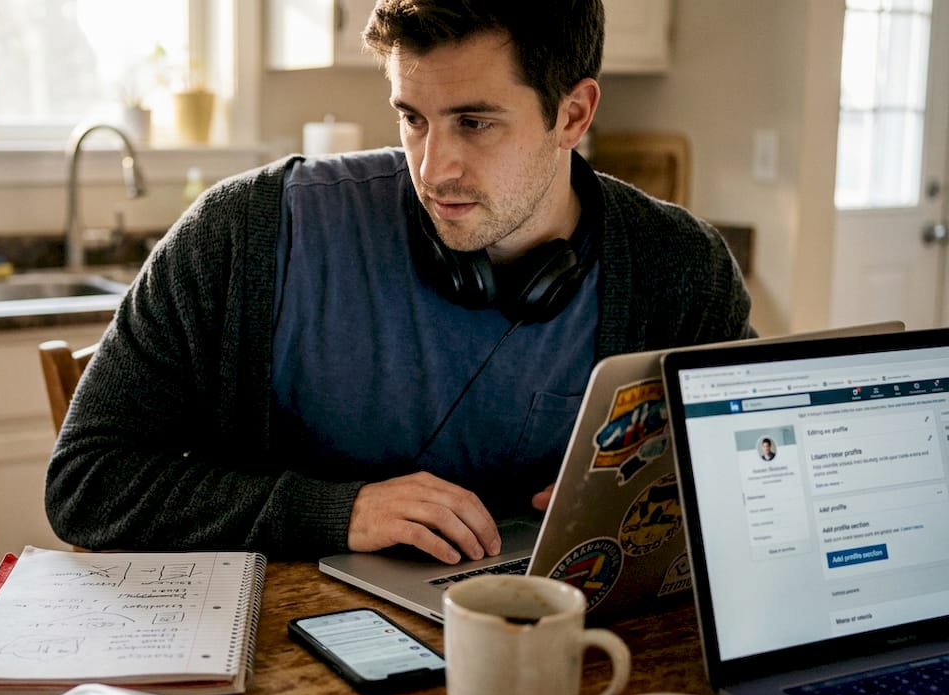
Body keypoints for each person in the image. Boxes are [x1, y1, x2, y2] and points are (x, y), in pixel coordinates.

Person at [46, 0, 754, 565]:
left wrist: (666, 494)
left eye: (474, 123)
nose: (434, 168)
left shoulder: (678, 267)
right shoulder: (245, 233)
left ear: (573, 114)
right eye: (413, 119)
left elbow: (754, 477)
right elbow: (86, 483)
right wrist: (337, 512)